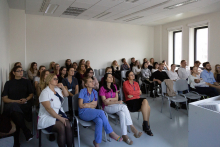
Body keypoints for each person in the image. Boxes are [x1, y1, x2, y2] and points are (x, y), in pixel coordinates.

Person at [78, 77, 123, 147]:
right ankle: (111, 133)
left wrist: (86, 104)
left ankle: (96, 142)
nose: (93, 83)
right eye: (90, 82)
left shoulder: (95, 92)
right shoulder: (82, 91)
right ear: (86, 84)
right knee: (101, 112)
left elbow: (95, 104)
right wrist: (90, 104)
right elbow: (80, 105)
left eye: (93, 81)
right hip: (83, 113)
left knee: (99, 121)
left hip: (92, 111)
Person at [99, 73, 142, 145]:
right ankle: (132, 127)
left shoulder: (114, 86)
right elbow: (105, 103)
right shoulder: (102, 88)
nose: (111, 78)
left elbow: (116, 98)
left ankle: (124, 135)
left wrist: (109, 99)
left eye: (112, 77)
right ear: (106, 79)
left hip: (115, 105)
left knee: (122, 113)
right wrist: (116, 101)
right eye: (109, 77)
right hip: (107, 107)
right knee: (124, 106)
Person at [38, 74, 72, 147]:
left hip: (58, 113)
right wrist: (61, 119)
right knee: (61, 127)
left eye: (57, 79)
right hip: (47, 116)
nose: (57, 80)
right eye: (55, 79)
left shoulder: (57, 89)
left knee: (68, 125)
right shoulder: (45, 92)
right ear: (49, 81)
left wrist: (62, 87)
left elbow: (66, 94)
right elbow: (49, 109)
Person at [2, 66, 34, 147]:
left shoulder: (26, 82)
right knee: (14, 107)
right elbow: (4, 99)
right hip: (11, 105)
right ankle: (25, 131)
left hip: (24, 105)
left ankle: (17, 141)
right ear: (13, 72)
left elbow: (31, 94)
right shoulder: (8, 83)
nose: (21, 72)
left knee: (15, 114)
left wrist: (25, 99)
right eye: (18, 71)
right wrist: (16, 101)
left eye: (21, 70)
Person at [123, 71, 153, 136]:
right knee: (147, 106)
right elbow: (130, 92)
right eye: (131, 75)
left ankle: (145, 124)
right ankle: (146, 125)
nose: (133, 75)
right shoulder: (125, 83)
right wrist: (136, 93)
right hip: (130, 102)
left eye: (133, 74)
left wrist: (133, 93)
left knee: (146, 103)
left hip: (137, 99)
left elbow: (140, 92)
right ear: (128, 77)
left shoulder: (136, 83)